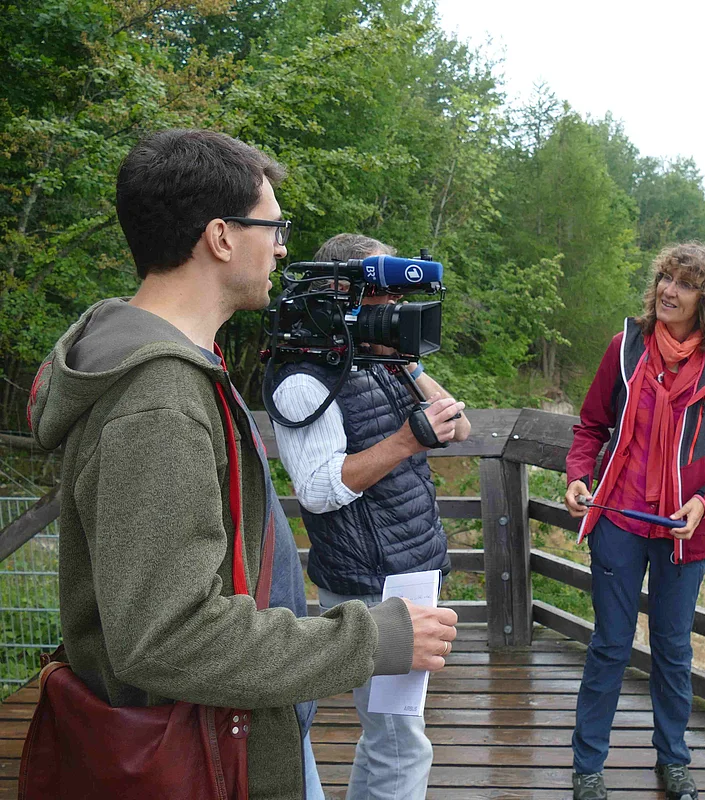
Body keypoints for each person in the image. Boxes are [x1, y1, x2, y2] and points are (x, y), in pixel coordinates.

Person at [25, 129, 459, 800]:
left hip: (239, 726)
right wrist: (371, 637)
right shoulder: (158, 400)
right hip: (199, 749)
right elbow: (168, 637)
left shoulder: (178, 369)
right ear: (222, 238)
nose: (282, 247)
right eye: (274, 225)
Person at [271, 232, 470, 800]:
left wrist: (407, 363)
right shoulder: (305, 376)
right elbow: (316, 488)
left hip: (409, 573)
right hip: (371, 587)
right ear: (341, 290)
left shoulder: (377, 357)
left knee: (391, 736)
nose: (393, 309)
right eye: (381, 294)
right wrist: (409, 439)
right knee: (402, 742)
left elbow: (462, 425)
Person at [564, 242, 705, 800]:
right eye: (665, 279)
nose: (668, 291)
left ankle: (673, 761)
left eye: (685, 283)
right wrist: (578, 476)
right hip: (618, 521)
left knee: (673, 648)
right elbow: (590, 426)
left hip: (684, 531)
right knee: (610, 643)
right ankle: (587, 769)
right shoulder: (624, 349)